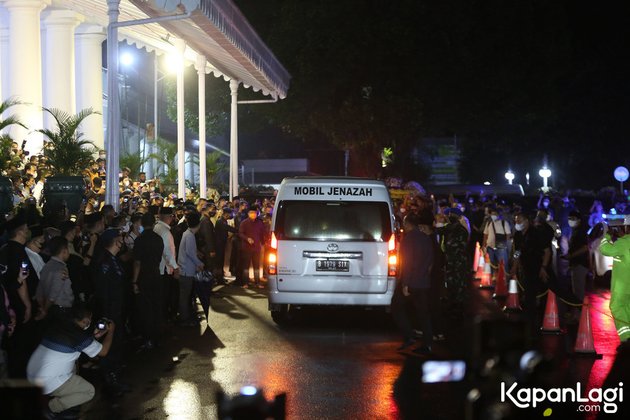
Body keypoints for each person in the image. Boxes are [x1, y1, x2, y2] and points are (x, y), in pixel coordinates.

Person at [27, 303, 115, 419]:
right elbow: (103, 352)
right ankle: (50, 408)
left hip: (31, 373)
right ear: (85, 320)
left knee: (73, 361)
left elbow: (80, 343)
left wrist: (95, 337)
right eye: (90, 319)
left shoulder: (60, 325)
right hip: (46, 382)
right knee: (88, 391)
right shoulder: (79, 335)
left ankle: (63, 399)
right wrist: (111, 331)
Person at [391, 212, 435, 354]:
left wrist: (405, 284)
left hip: (411, 281)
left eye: (404, 223)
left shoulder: (408, 240)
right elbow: (430, 261)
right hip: (423, 281)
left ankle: (409, 336)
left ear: (408, 224)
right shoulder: (426, 238)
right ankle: (427, 344)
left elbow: (407, 263)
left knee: (396, 306)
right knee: (424, 314)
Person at [92, 228, 128, 395]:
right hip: (109, 312)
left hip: (117, 309)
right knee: (110, 344)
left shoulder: (113, 259)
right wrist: (106, 316)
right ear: (115, 241)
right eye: (120, 238)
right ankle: (110, 380)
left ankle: (115, 374)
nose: (123, 240)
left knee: (117, 343)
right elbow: (103, 290)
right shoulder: (104, 262)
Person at [511, 212, 553, 334]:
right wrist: (515, 265)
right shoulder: (518, 235)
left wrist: (544, 267)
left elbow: (547, 251)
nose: (517, 223)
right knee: (529, 294)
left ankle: (535, 324)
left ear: (527, 221)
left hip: (539, 267)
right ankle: (530, 322)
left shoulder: (537, 234)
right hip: (526, 268)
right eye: (516, 221)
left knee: (540, 293)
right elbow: (517, 251)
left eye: (520, 221)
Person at [132, 213, 164, 350]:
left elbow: (137, 262)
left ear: (142, 224)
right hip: (156, 274)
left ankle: (148, 338)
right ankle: (157, 337)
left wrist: (134, 281)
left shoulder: (139, 240)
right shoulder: (158, 239)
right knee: (157, 307)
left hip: (144, 277)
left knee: (146, 309)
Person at [599, 216, 630, 342]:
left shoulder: (624, 242)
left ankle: (626, 338)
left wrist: (606, 236)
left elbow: (604, 249)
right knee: (627, 309)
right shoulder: (623, 242)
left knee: (617, 307)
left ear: (627, 227)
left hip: (622, 287)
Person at [436, 208, 469, 313]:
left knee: (454, 281)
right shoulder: (462, 229)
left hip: (454, 260)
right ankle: (457, 303)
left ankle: (456, 303)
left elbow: (437, 230)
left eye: (450, 215)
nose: (448, 217)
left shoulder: (452, 228)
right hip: (457, 260)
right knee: (457, 281)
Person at [176, 212, 204, 325]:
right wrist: (199, 263)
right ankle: (184, 318)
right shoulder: (190, 235)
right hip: (186, 271)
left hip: (185, 269)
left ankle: (185, 316)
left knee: (185, 295)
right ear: (198, 224)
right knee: (185, 296)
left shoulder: (186, 233)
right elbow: (190, 253)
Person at [35, 237, 73, 320]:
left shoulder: (46, 266)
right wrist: (45, 310)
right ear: (64, 251)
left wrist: (42, 307)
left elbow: (39, 291)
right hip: (60, 309)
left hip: (49, 307)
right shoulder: (60, 269)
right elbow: (53, 294)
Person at [154, 207, 179, 322]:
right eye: (172, 216)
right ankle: (163, 321)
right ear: (169, 217)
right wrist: (175, 267)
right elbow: (167, 252)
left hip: (158, 268)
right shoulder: (165, 231)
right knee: (164, 297)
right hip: (163, 269)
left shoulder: (157, 228)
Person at [237, 206, 266, 289]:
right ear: (248, 214)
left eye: (255, 213)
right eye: (252, 213)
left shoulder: (260, 223)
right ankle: (245, 282)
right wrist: (247, 238)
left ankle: (257, 282)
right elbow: (240, 233)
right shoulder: (244, 223)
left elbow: (262, 233)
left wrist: (263, 242)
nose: (253, 215)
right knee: (246, 266)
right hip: (246, 247)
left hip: (257, 248)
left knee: (256, 266)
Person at [564, 211, 589, 302]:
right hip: (576, 264)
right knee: (576, 290)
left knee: (578, 291)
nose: (570, 221)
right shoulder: (574, 231)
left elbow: (585, 248)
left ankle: (579, 313)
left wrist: (571, 256)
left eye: (573, 219)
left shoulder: (580, 232)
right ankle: (576, 312)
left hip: (580, 264)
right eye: (569, 219)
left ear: (579, 220)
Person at [482, 206, 511, 274]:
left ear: (499, 215)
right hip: (490, 247)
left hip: (501, 247)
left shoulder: (504, 223)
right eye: (492, 214)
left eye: (494, 214)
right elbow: (485, 235)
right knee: (490, 264)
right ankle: (491, 278)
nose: (493, 216)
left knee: (503, 264)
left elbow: (508, 236)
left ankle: (505, 280)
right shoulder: (489, 223)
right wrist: (484, 246)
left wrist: (507, 247)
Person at [214, 208, 238, 284]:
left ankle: (220, 278)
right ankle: (219, 278)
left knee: (221, 261)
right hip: (219, 244)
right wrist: (238, 230)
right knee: (219, 262)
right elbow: (228, 228)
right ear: (226, 214)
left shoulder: (223, 221)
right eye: (229, 214)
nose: (230, 215)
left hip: (222, 243)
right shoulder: (220, 221)